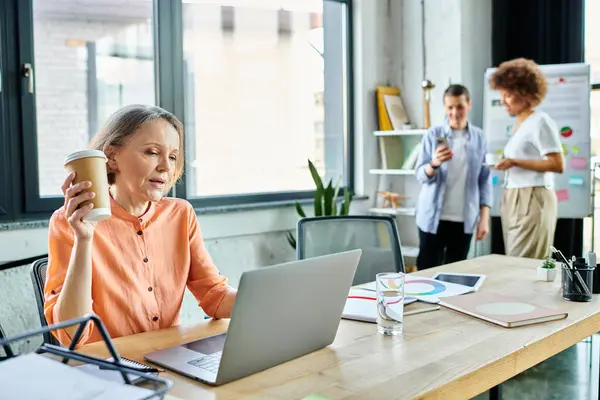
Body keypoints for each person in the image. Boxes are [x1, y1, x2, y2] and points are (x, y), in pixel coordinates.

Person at [44, 105, 237, 346]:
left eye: (173, 156)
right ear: (112, 157)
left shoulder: (181, 214)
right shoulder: (70, 221)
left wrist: (268, 300)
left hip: (167, 360)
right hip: (107, 368)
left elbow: (214, 297)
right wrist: (84, 239)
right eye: (152, 152)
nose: (166, 167)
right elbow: (71, 335)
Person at [489, 58, 564, 258]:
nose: (503, 100)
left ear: (526, 94)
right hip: (514, 196)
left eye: (508, 95)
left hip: (532, 197)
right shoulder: (521, 123)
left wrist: (515, 162)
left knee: (524, 264)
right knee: (515, 261)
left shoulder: (540, 121)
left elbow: (557, 164)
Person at [414, 84, 491, 270]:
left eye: (460, 107)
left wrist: (484, 218)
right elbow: (419, 174)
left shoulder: (480, 138)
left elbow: (484, 180)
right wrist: (434, 164)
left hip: (464, 219)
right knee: (426, 271)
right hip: (433, 217)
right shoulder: (434, 134)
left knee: (456, 274)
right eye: (450, 107)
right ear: (444, 108)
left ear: (469, 104)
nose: (455, 112)